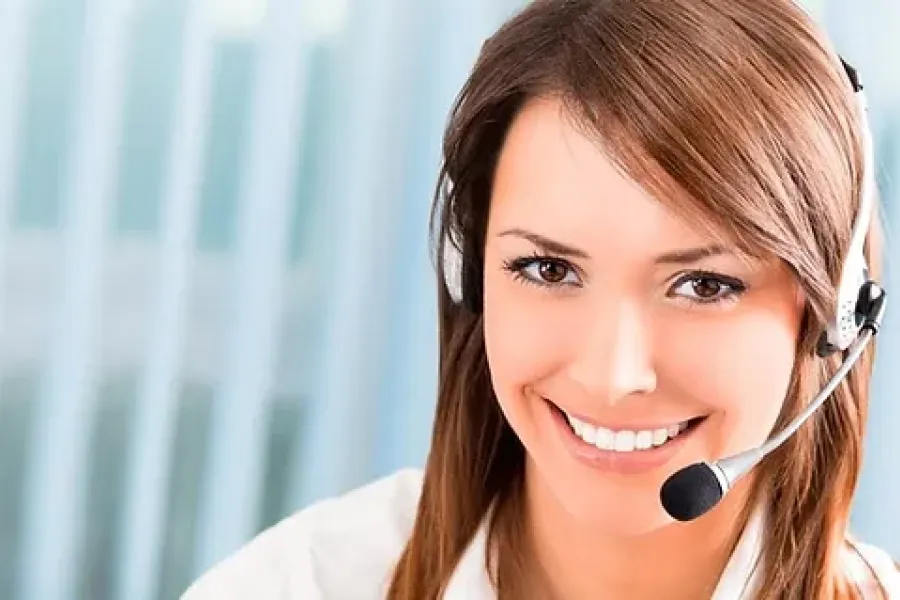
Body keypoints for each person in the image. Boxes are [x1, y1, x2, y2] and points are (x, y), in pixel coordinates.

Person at [182, 0, 899, 598]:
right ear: (473, 275)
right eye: (549, 269)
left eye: (705, 285)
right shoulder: (297, 584)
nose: (612, 377)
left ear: (833, 312)